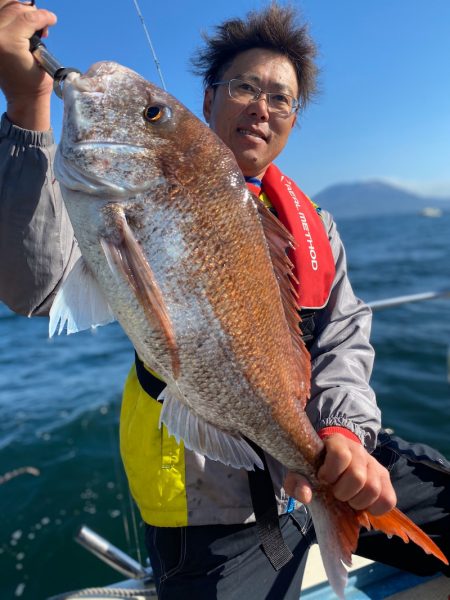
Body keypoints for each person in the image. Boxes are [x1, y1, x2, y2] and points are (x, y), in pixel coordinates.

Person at [0, 2, 449, 598]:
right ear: (208, 101)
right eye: (244, 86)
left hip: (325, 449)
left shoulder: (317, 226)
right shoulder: (124, 201)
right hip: (212, 508)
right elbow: (37, 286)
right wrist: (28, 109)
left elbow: (344, 336)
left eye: (281, 98)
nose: (263, 108)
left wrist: (343, 433)